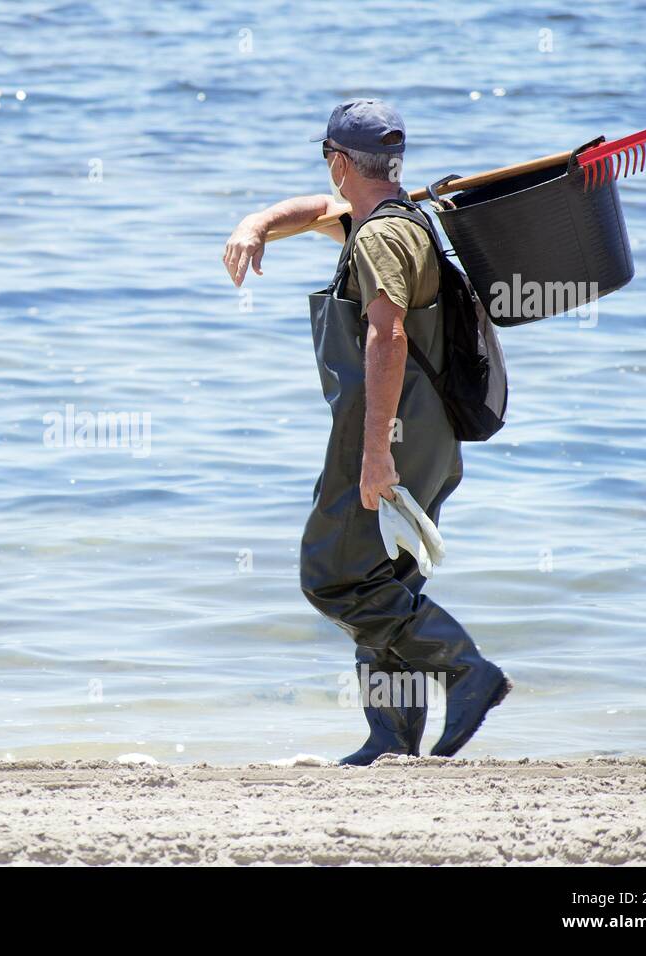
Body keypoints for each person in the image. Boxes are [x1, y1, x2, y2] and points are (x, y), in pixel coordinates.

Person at [222, 99, 511, 764]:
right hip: (433, 438)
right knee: (385, 583)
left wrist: (375, 453)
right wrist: (257, 223)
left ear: (337, 162)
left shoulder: (379, 238)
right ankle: (391, 737)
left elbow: (387, 337)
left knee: (333, 576)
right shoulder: (397, 220)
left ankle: (467, 671)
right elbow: (318, 213)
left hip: (393, 435)